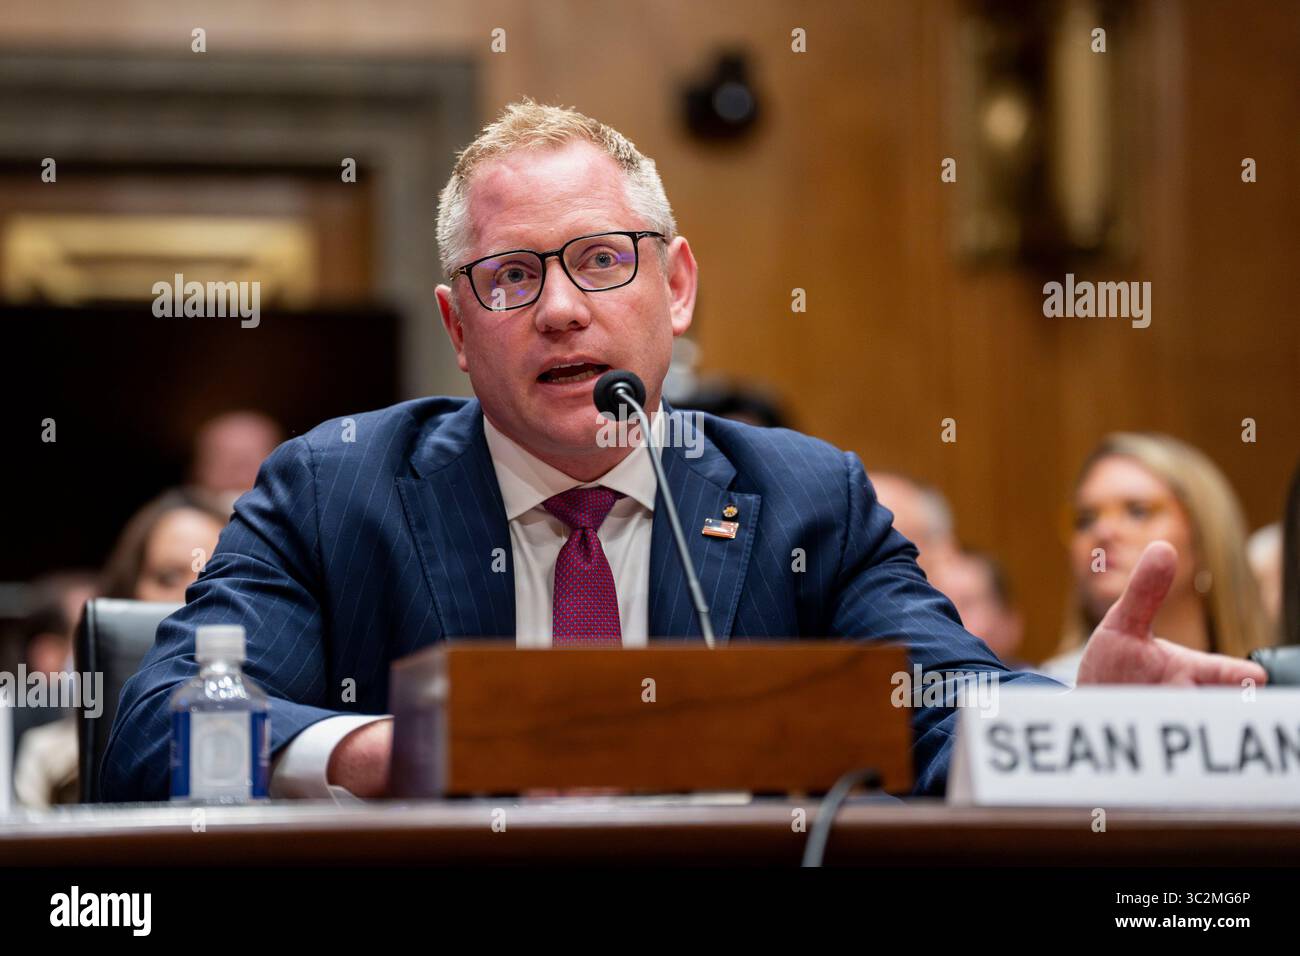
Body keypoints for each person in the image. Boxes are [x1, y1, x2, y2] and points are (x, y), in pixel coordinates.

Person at [103, 100, 1263, 803]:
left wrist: (1064, 727)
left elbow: (939, 698)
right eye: (511, 276)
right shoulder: (335, 490)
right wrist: (373, 750)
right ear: (458, 330)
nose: (560, 309)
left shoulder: (801, 498)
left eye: (602, 259)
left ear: (678, 284)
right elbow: (156, 721)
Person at [14, 490, 227, 807]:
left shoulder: (263, 732)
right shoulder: (49, 756)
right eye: (168, 577)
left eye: (212, 575)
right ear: (128, 593)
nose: (191, 595)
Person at [1042, 433, 1274, 684]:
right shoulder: (1047, 695)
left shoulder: (1283, 682)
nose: (1103, 532)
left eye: (1138, 511)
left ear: (1204, 537)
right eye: (1085, 519)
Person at [936, 549, 1026, 667]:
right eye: (939, 606)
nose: (947, 619)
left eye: (966, 603)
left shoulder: (1042, 685)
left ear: (1007, 623)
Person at [190, 411, 284, 502]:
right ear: (199, 471)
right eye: (224, 462)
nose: (241, 478)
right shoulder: (183, 513)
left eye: (251, 462)